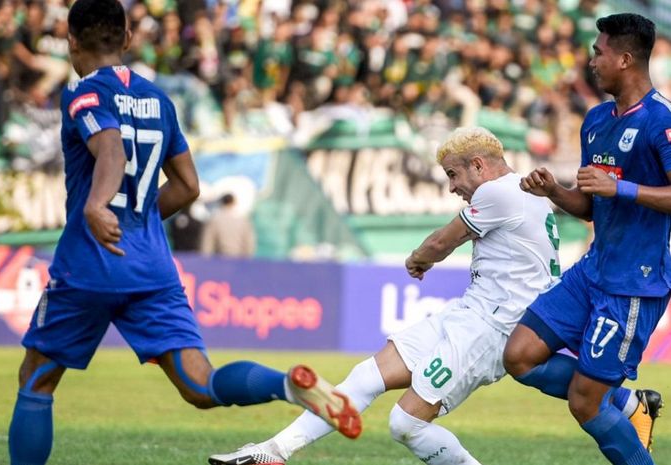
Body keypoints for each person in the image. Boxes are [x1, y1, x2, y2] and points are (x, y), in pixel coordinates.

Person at [7, 2, 361, 465]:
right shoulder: (159, 99)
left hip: (91, 261)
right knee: (201, 385)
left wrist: (98, 206)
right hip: (152, 265)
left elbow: (110, 150)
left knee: (37, 380)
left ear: (71, 40)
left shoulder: (83, 94)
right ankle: (285, 385)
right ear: (128, 38)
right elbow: (189, 186)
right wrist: (142, 218)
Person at [209, 126, 562, 465]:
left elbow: (442, 242)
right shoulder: (528, 192)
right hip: (472, 312)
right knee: (365, 376)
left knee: (406, 424)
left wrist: (417, 260)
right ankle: (273, 451)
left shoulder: (497, 191)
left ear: (478, 165)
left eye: (453, 175)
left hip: (491, 328)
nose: (452, 187)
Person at [503, 13, 671, 465]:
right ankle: (628, 404)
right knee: (519, 357)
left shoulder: (661, 121)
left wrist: (622, 188)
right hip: (592, 272)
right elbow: (590, 205)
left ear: (625, 58)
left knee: (584, 402)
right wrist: (555, 191)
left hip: (632, 285)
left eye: (598, 52)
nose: (591, 61)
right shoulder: (596, 120)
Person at [201, 193, 256, 258]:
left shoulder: (215, 219)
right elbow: (249, 243)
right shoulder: (243, 220)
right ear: (234, 202)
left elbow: (207, 244)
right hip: (239, 261)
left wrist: (206, 261)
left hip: (220, 260)